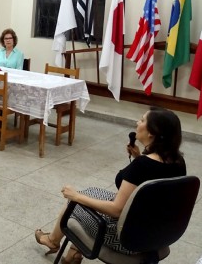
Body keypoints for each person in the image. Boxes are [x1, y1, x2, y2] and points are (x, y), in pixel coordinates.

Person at [35, 107, 187, 263]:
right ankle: (73, 254)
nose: (137, 122)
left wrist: (76, 196)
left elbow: (117, 210)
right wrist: (138, 156)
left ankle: (53, 240)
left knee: (74, 202)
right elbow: (152, 181)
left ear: (151, 133)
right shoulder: (178, 163)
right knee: (91, 192)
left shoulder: (142, 166)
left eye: (142, 120)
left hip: (128, 238)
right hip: (158, 234)